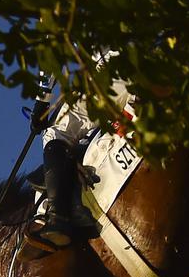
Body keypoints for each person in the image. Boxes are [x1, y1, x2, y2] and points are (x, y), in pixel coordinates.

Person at [25, 53, 136, 254]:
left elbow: (52, 49)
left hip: (114, 69)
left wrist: (41, 103)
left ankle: (58, 219)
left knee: (55, 133)